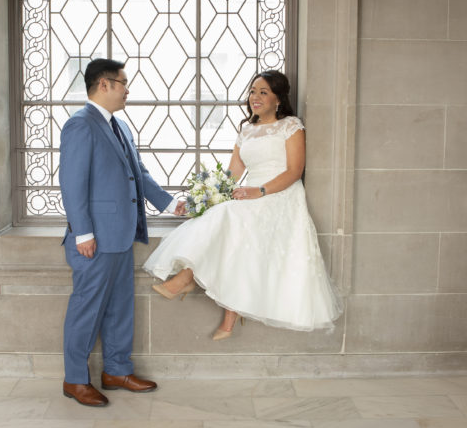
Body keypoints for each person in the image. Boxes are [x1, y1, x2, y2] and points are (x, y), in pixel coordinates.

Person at [144, 70, 342, 340]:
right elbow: (232, 175)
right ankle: (208, 296)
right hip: (250, 194)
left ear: (278, 99)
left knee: (232, 219)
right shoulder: (246, 131)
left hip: (280, 193)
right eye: (252, 91)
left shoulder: (291, 126)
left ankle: (189, 280)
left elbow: (295, 171)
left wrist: (259, 191)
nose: (255, 98)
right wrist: (205, 197)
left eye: (263, 92)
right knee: (223, 220)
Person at [59, 58, 186, 407]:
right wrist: (83, 233)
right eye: (123, 82)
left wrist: (170, 203)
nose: (127, 89)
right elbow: (71, 184)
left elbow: (139, 173)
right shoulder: (80, 125)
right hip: (94, 239)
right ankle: (75, 380)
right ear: (104, 84)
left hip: (120, 235)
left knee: (119, 308)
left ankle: (116, 370)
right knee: (87, 309)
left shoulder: (121, 128)